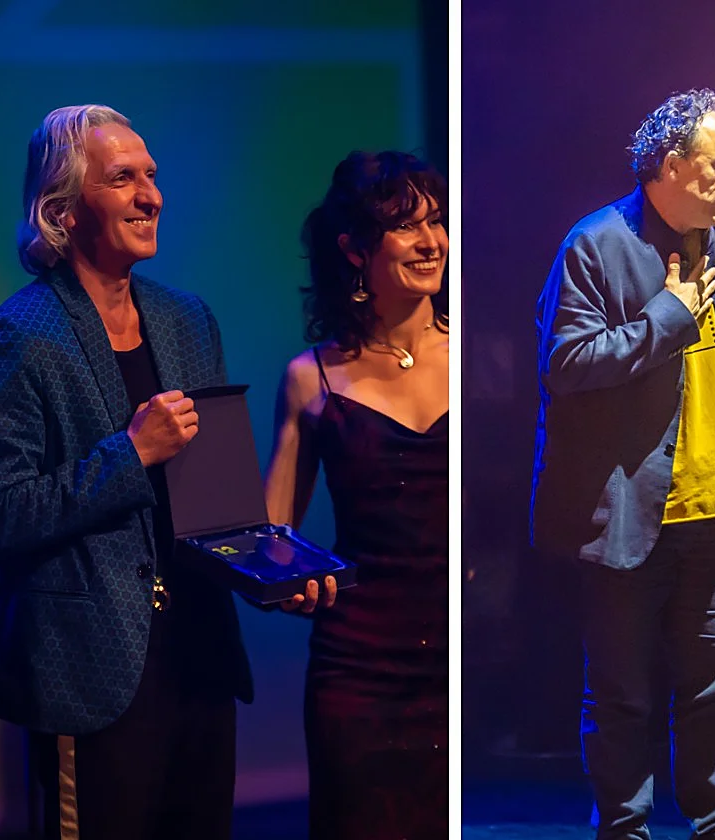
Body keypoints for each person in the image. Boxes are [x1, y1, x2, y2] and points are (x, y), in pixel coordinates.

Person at [0, 105, 333, 840]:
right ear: (61, 211)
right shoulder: (19, 335)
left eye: (152, 177)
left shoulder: (187, 319)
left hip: (198, 658)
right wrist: (129, 453)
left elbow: (216, 505)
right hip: (89, 670)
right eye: (123, 179)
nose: (150, 196)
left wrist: (275, 574)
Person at [531, 89, 715, 839]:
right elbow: (564, 365)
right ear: (673, 165)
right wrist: (666, 315)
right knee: (623, 697)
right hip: (629, 515)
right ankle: (624, 832)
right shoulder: (597, 243)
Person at [264, 150, 449, 840]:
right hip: (359, 667)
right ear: (354, 249)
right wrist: (289, 580)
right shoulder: (311, 378)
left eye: (437, 222)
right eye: (408, 227)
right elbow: (270, 539)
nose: (432, 242)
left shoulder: (474, 360)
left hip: (458, 659)